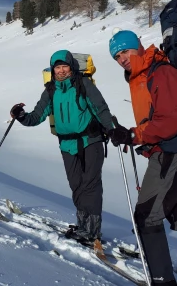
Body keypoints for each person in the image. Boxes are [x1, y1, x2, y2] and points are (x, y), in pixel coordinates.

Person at [108, 30, 177, 286]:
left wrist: (134, 135)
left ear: (137, 46)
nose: (122, 59)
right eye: (117, 56)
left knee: (146, 215)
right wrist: (135, 135)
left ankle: (162, 281)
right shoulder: (144, 74)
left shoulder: (160, 71)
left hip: (172, 153)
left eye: (125, 51)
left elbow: (169, 121)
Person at [10, 50, 115, 247]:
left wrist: (112, 130)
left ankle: (93, 230)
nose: (60, 70)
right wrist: (22, 116)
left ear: (71, 66)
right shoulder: (51, 90)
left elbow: (101, 108)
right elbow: (37, 116)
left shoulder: (84, 84)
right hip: (66, 144)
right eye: (57, 67)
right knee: (76, 184)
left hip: (90, 141)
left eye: (64, 66)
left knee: (90, 185)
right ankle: (83, 224)